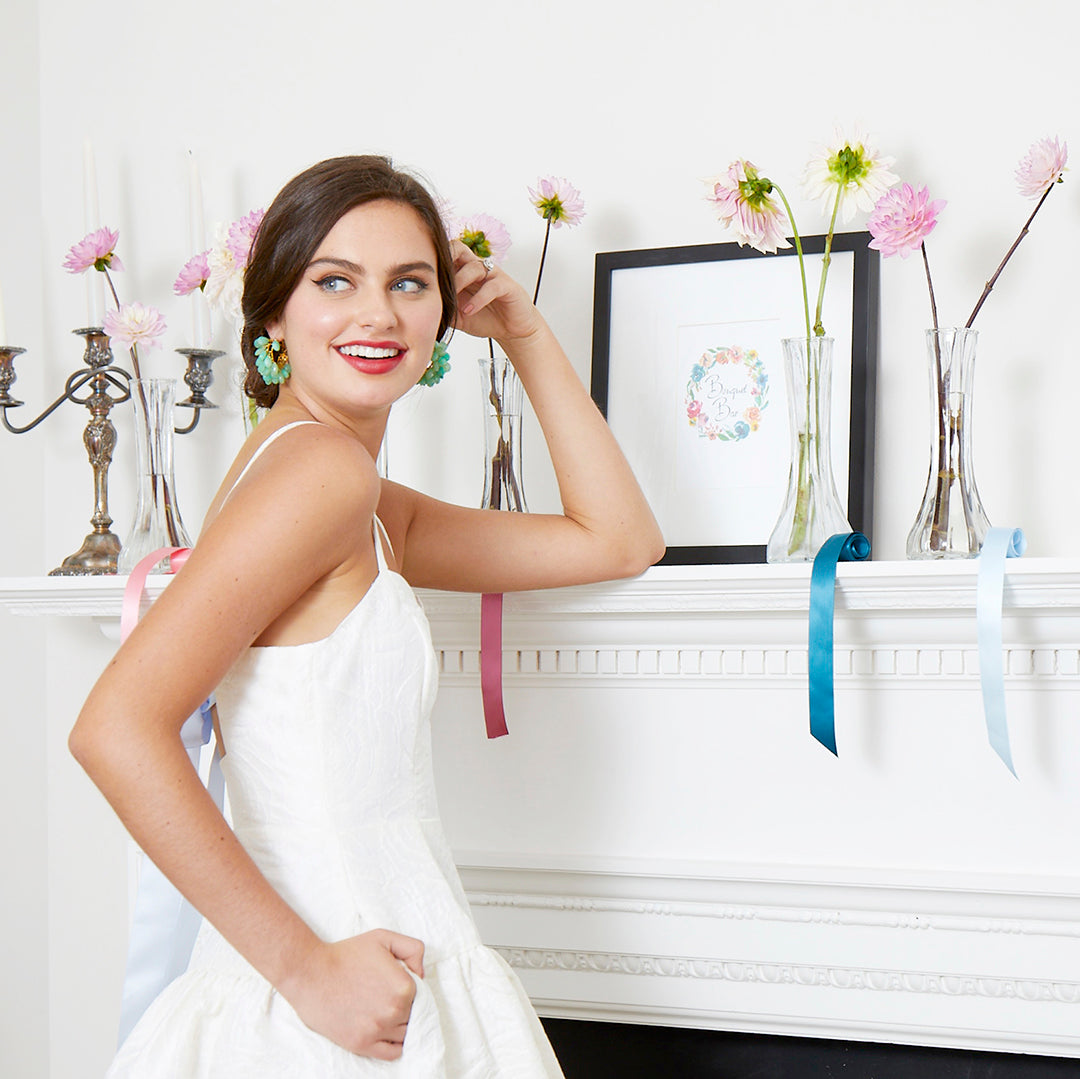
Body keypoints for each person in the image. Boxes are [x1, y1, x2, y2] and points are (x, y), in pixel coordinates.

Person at [70, 154, 664, 1077]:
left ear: (443, 315)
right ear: (274, 312)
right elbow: (114, 727)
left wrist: (526, 335)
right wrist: (308, 972)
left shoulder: (349, 491)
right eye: (334, 281)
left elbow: (617, 538)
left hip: (357, 955)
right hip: (341, 979)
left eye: (409, 283)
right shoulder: (322, 475)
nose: (378, 314)